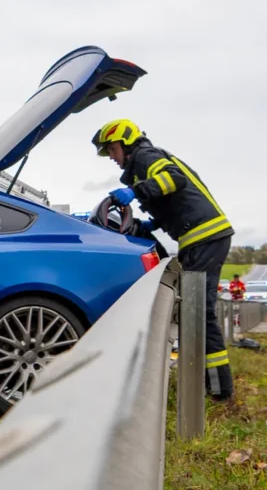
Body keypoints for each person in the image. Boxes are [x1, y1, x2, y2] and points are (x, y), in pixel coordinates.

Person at [93, 119, 234, 401]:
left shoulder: (145, 156)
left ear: (126, 143)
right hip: (200, 238)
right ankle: (211, 386)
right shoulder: (143, 163)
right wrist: (153, 224)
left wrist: (135, 192)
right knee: (194, 312)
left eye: (112, 149)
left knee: (198, 313)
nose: (111, 157)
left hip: (205, 237)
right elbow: (176, 200)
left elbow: (173, 179)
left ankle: (220, 391)